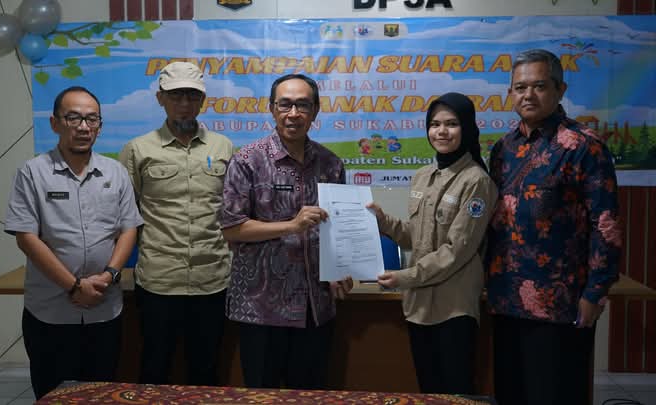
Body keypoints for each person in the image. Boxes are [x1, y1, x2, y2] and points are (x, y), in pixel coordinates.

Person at [485, 49, 622, 405]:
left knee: (556, 395)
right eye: (520, 87)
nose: (528, 95)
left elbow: (606, 227)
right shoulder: (503, 149)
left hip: (560, 304)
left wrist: (595, 293)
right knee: (511, 394)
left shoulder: (584, 146)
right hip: (505, 299)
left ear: (560, 90)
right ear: (510, 93)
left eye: (539, 86)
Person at [4, 86, 143, 399]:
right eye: (74, 118)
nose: (83, 127)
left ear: (99, 126)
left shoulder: (116, 172)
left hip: (105, 308)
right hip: (51, 311)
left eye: (92, 119)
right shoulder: (32, 173)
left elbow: (128, 229)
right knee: (53, 393)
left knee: (101, 392)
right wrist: (73, 286)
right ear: (55, 123)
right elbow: (27, 238)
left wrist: (109, 276)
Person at [220, 73, 353, 390]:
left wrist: (339, 269)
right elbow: (232, 228)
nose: (294, 113)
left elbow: (338, 228)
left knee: (309, 395)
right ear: (272, 108)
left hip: (315, 307)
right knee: (263, 396)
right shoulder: (247, 160)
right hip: (261, 307)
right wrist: (292, 225)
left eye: (303, 105)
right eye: (285, 104)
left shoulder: (331, 164)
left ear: (315, 111)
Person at [367, 93, 497, 394]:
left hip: (454, 308)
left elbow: (456, 251)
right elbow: (416, 236)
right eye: (435, 124)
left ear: (467, 128)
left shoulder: (476, 181)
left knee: (456, 393)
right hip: (419, 306)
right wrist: (382, 221)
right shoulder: (422, 176)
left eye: (451, 124)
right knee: (429, 390)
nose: (442, 131)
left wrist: (405, 277)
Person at [119, 61, 233, 386]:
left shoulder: (223, 147)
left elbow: (232, 211)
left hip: (212, 280)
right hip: (159, 281)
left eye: (192, 95)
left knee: (206, 370)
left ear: (203, 100)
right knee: (155, 368)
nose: (184, 103)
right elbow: (126, 216)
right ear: (160, 98)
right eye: (175, 95)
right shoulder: (138, 149)